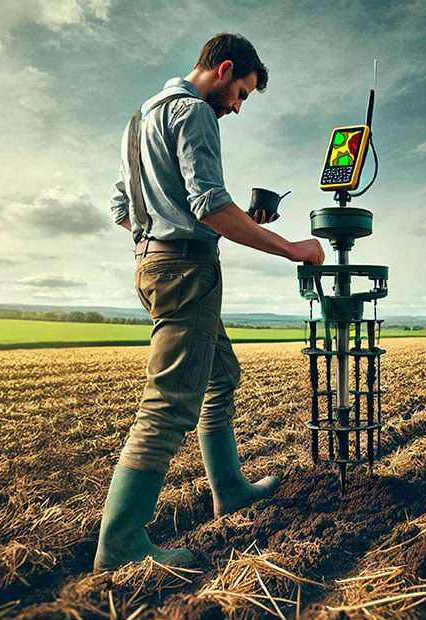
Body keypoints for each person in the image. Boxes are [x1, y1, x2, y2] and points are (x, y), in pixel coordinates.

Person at [94, 33, 325, 571]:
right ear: (223, 69)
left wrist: (168, 231)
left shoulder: (139, 118)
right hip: (186, 272)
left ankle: (229, 488)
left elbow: (121, 207)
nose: (238, 107)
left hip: (154, 262)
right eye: (241, 92)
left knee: (221, 376)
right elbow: (208, 205)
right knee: (170, 402)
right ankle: (122, 543)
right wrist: (292, 249)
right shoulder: (194, 113)